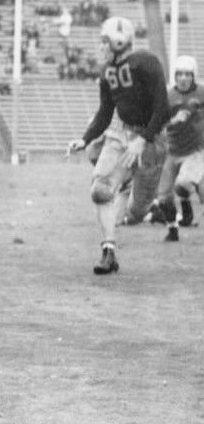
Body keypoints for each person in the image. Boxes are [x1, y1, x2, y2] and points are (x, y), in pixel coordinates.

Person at [67, 16, 170, 275]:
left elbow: (162, 109)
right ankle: (108, 252)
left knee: (136, 213)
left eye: (105, 41)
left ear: (119, 41)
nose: (101, 47)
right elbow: (105, 112)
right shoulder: (107, 72)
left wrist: (143, 140)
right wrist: (86, 138)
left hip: (152, 137)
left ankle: (137, 196)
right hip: (122, 133)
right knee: (100, 190)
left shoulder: (146, 63)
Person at [149, 55, 204, 242]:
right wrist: (174, 120)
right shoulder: (168, 95)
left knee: (183, 183)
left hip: (195, 151)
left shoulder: (202, 92)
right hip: (173, 152)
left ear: (193, 76)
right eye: (179, 74)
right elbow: (156, 124)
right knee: (163, 197)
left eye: (187, 74)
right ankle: (173, 229)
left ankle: (190, 201)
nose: (183, 78)